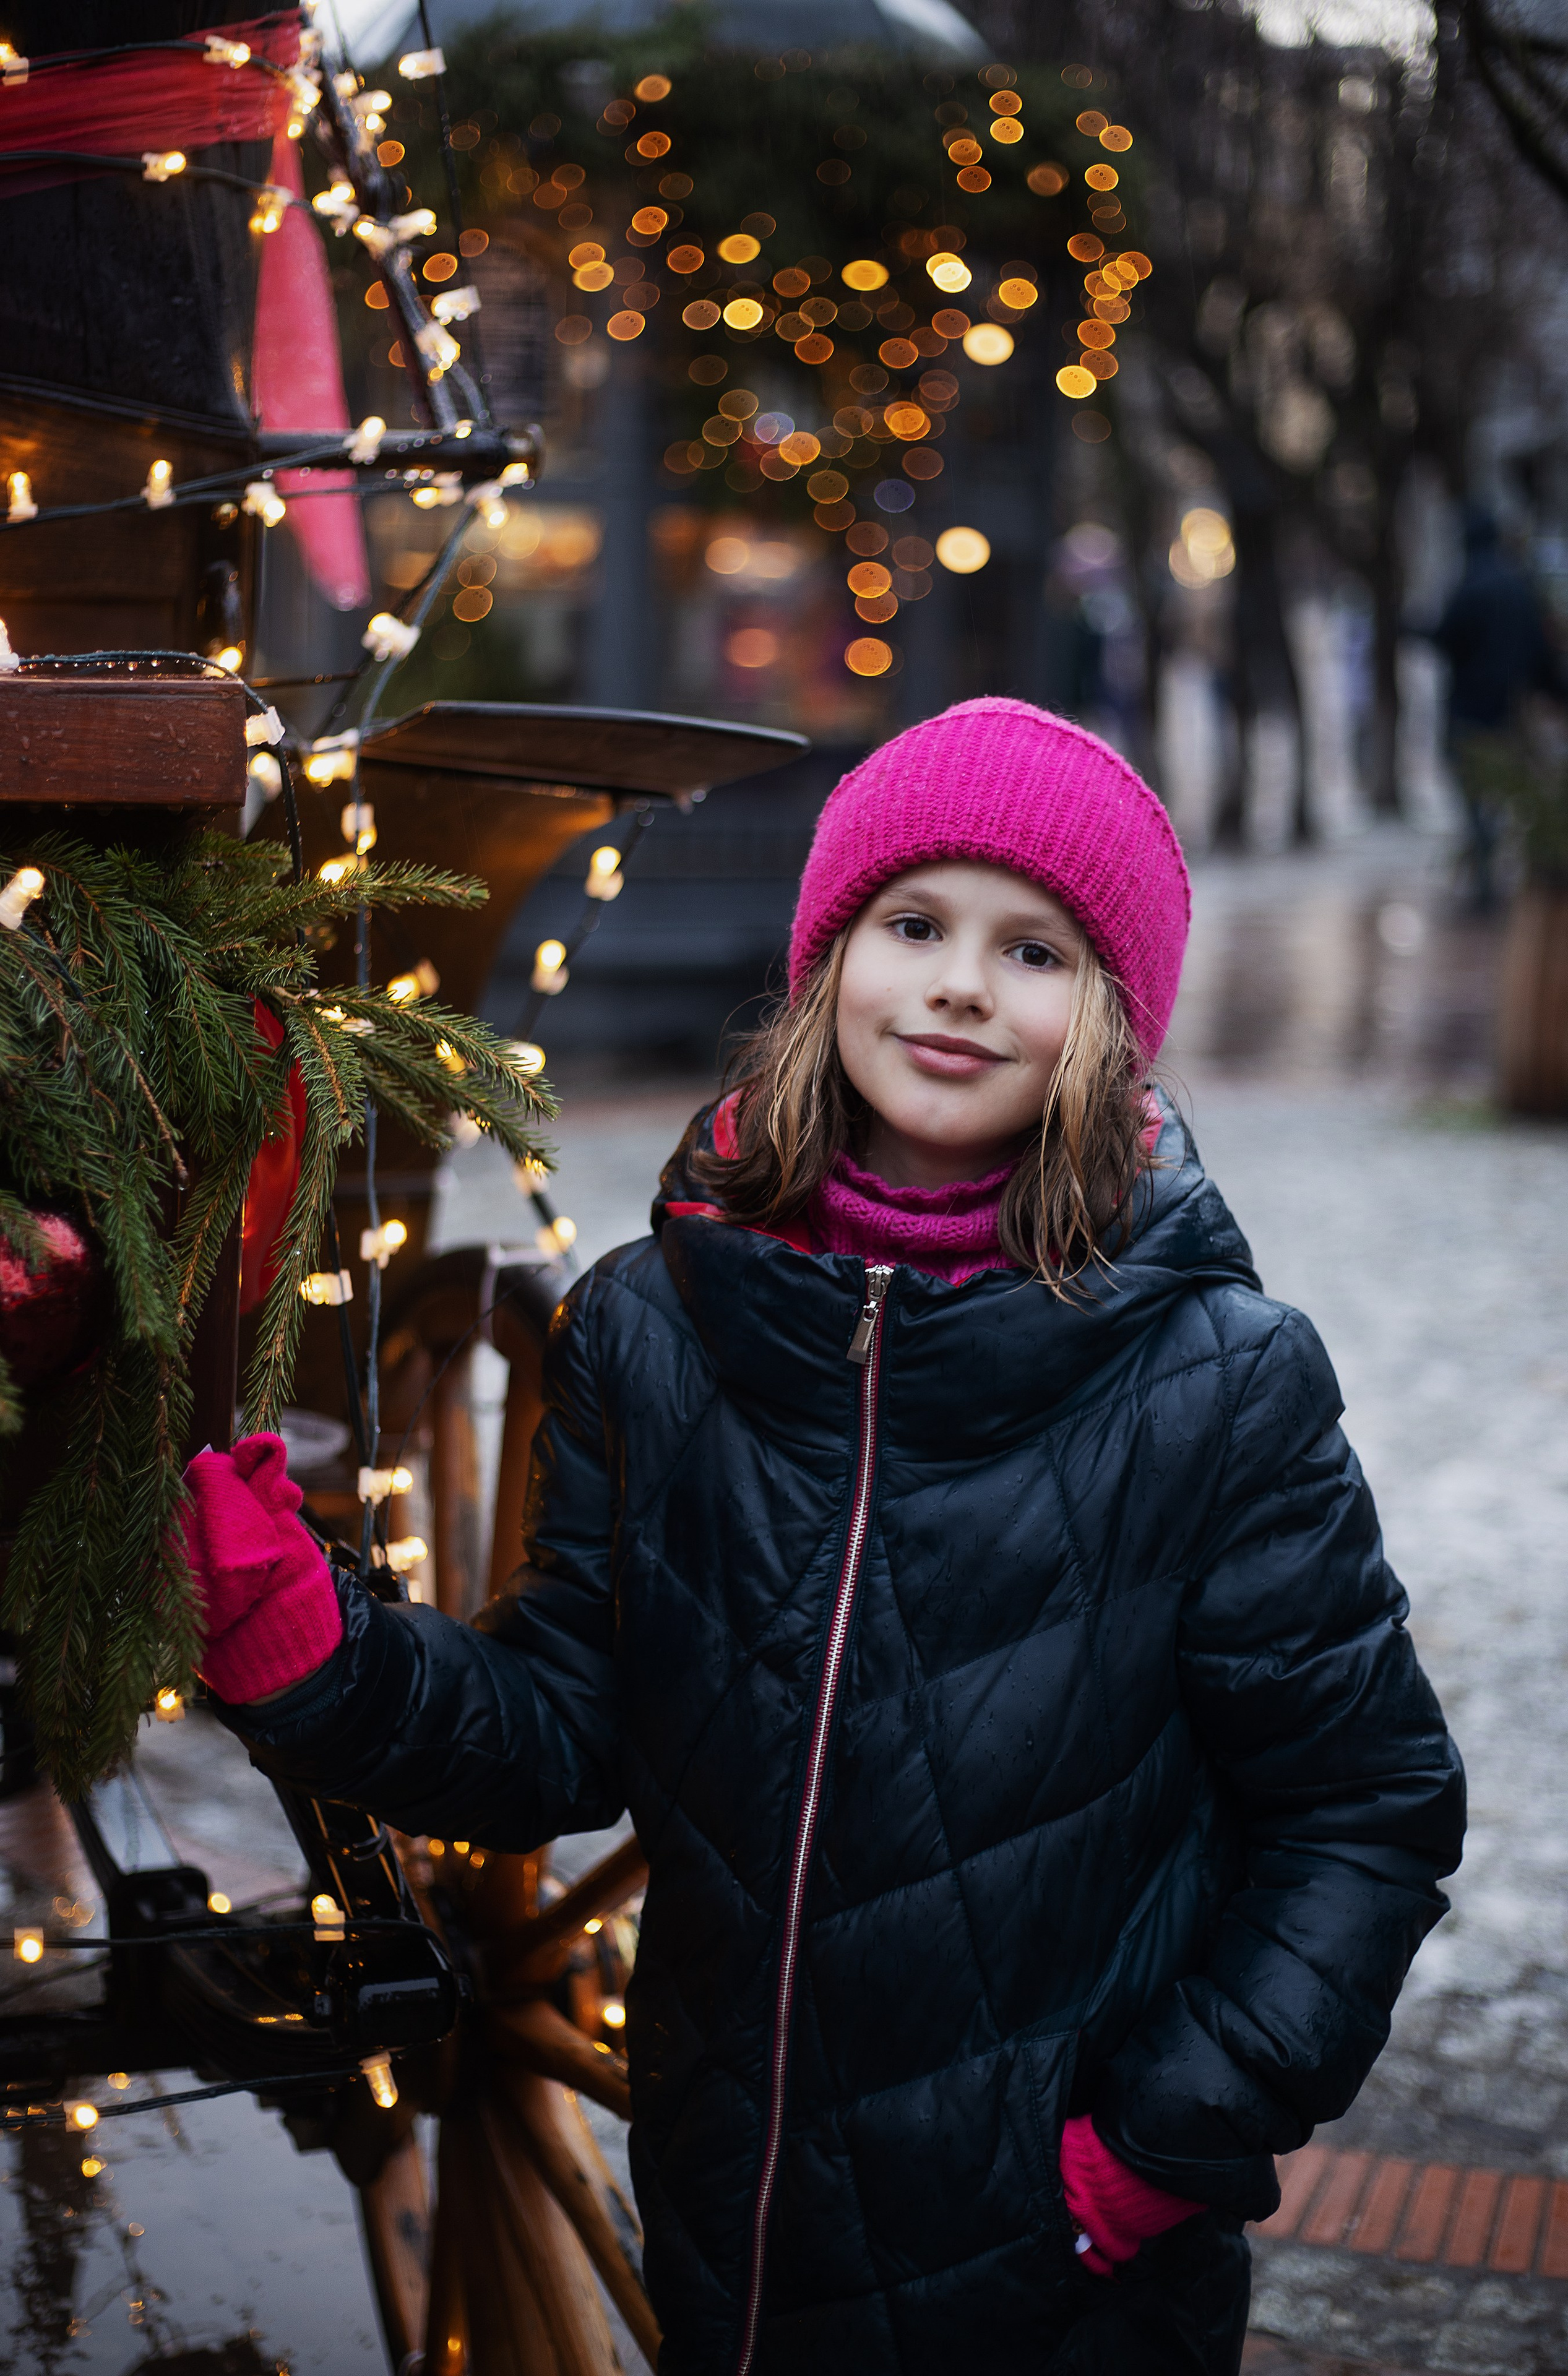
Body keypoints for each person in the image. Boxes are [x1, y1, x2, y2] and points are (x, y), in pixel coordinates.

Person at [184, 699, 1465, 2376]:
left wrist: (1157, 2150)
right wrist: (319, 1650)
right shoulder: (655, 1331)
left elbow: (1364, 1813)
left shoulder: (1215, 1385)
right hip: (733, 2244)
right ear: (829, 957)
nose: (955, 986)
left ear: (1112, 1023)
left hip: (1060, 2283)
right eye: (914, 924)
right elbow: (567, 1726)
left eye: (1036, 954)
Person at [1433, 506, 1568, 908]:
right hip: (1511, 713)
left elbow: (1445, 639)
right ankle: (1493, 881)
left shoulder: (1469, 585)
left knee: (1476, 799)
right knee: (1505, 798)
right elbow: (1543, 655)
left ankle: (1487, 886)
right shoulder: (1519, 586)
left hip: (1470, 712)